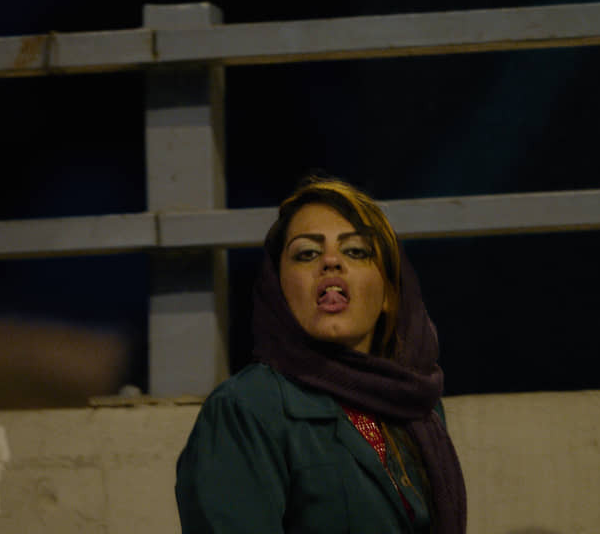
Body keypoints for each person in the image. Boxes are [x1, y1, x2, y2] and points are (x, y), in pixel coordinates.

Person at [175, 177, 466, 533]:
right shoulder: (245, 409)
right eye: (307, 254)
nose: (330, 261)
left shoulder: (417, 408)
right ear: (279, 290)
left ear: (390, 294)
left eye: (356, 251)